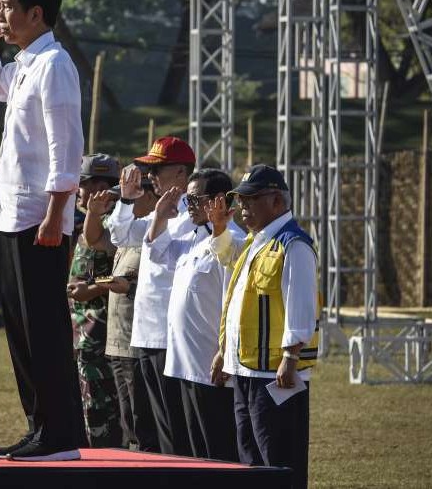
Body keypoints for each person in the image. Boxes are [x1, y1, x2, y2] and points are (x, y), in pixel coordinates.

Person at [0, 0, 85, 462]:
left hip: (41, 217)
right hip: (12, 214)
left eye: (9, 7)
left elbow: (66, 146)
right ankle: (39, 426)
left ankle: (60, 432)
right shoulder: (25, 63)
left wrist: (57, 214)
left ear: (36, 13)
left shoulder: (55, 64)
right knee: (20, 329)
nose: (2, 14)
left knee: (45, 328)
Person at [207, 164, 320, 488]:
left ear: (276, 201)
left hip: (275, 373)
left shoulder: (293, 244)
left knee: (278, 458)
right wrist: (226, 353)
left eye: (250, 199)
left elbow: (301, 303)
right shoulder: (259, 242)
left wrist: (290, 357)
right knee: (250, 457)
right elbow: (236, 293)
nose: (243, 207)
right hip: (246, 369)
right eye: (241, 200)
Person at [106, 136, 196, 456]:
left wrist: (159, 218)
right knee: (150, 426)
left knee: (174, 426)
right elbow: (119, 234)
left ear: (182, 175)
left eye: (159, 169)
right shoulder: (162, 212)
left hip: (170, 337)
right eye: (150, 170)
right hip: (145, 333)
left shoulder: (190, 219)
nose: (152, 176)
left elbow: (160, 257)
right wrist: (127, 201)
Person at [145, 169, 242, 461]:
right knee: (192, 455)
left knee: (218, 452)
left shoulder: (233, 241)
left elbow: (234, 303)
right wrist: (160, 215)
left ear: (217, 201)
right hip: (183, 363)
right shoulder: (196, 239)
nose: (189, 207)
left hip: (209, 365)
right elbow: (158, 253)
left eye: (194, 199)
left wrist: (225, 351)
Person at [85, 183, 160, 452]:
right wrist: (93, 213)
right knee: (127, 422)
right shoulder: (129, 234)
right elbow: (94, 239)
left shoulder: (155, 233)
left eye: (129, 200)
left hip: (137, 344)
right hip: (117, 343)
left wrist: (128, 287)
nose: (121, 206)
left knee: (141, 423)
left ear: (150, 197)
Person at [66, 153, 122, 448]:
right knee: (88, 402)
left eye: (85, 185)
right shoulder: (89, 218)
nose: (80, 192)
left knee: (103, 407)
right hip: (82, 328)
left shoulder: (118, 223)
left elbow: (125, 272)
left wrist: (93, 288)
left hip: (101, 331)